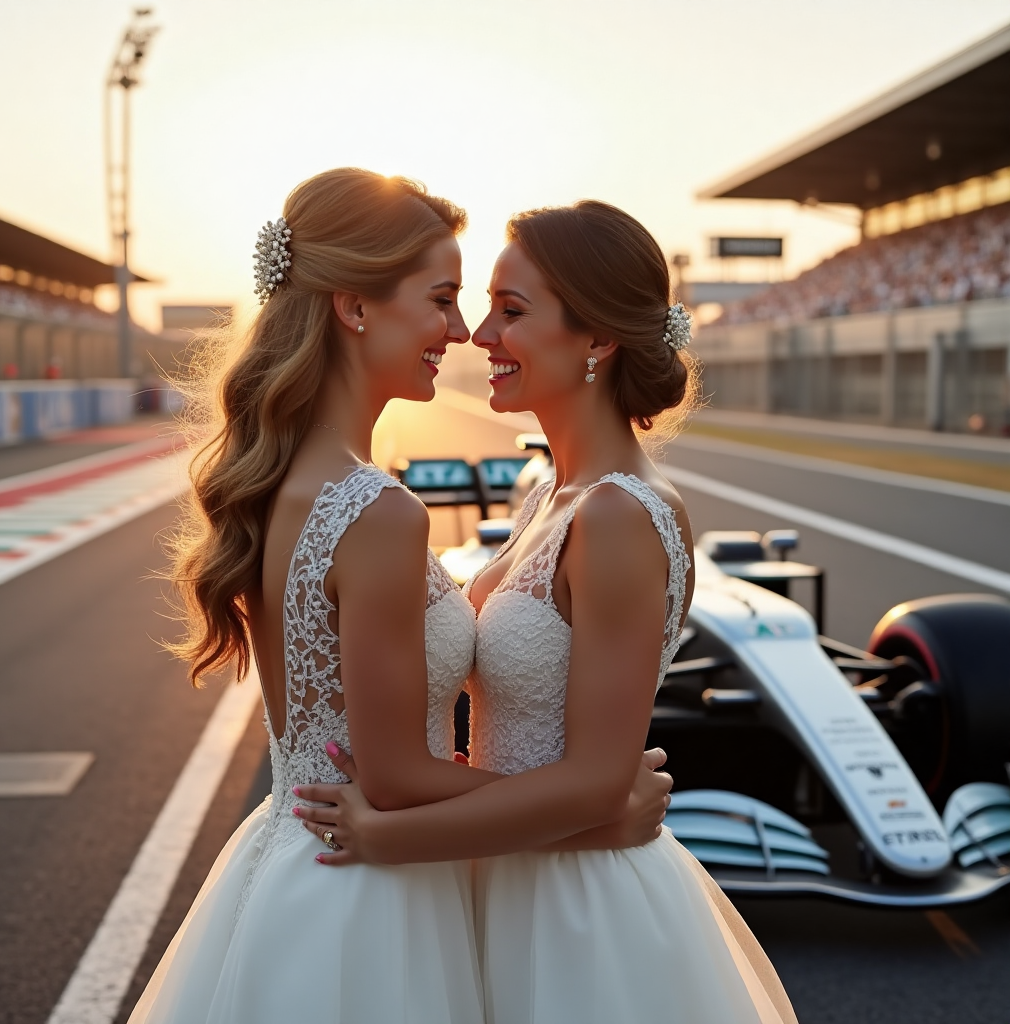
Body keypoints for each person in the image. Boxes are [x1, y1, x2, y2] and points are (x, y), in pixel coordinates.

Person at [133, 170, 670, 1023]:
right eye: (445, 299)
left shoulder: (287, 479)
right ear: (354, 308)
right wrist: (597, 809)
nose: (462, 332)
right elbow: (391, 775)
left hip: (295, 864)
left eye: (493, 307)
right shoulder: (376, 511)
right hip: (368, 892)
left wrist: (582, 793)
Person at [300, 200, 799, 1024]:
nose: (480, 335)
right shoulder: (552, 496)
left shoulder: (621, 516)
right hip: (500, 870)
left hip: (576, 909)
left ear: (598, 339)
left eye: (512, 311)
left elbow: (603, 781)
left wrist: (389, 833)